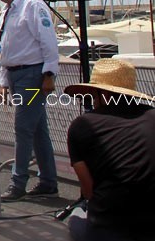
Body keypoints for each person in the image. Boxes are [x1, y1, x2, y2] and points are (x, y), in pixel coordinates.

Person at [64, 58, 155, 241]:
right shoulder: (152, 116)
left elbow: (89, 191)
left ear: (100, 93)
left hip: (110, 228)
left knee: (76, 215)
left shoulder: (82, 125)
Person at [0, 0, 60, 200]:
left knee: (23, 129)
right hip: (16, 74)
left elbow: (48, 40)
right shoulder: (7, 11)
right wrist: (3, 81)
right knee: (38, 131)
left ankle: (18, 182)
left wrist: (49, 73)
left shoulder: (32, 5)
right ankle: (48, 181)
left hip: (32, 75)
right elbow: (4, 46)